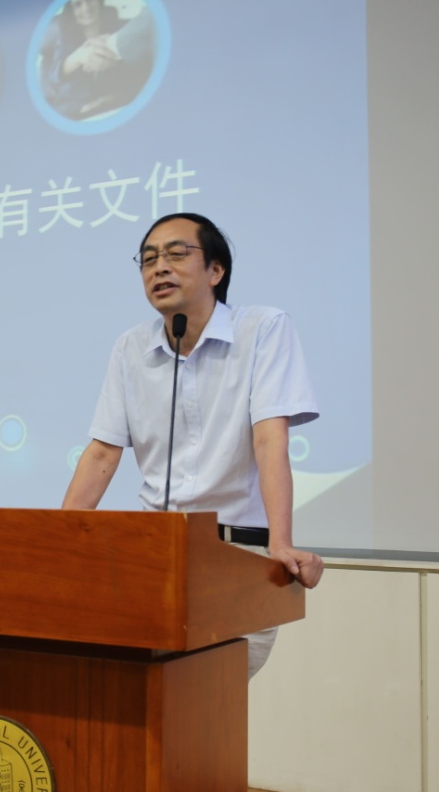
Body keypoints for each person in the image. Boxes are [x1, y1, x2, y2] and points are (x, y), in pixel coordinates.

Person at [62, 212, 324, 679]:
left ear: (216, 270)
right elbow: (102, 453)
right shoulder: (131, 347)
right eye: (148, 259)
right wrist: (57, 541)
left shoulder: (263, 328)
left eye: (177, 253)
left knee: (202, 705)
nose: (159, 267)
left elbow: (269, 440)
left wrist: (281, 542)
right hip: (153, 561)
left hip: (235, 560)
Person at [38, 0, 155, 120]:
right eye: (78, 4)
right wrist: (80, 56)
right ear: (71, 11)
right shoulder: (66, 38)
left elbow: (139, 73)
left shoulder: (122, 28)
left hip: (117, 103)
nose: (86, 8)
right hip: (80, 111)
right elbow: (54, 75)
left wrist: (104, 101)